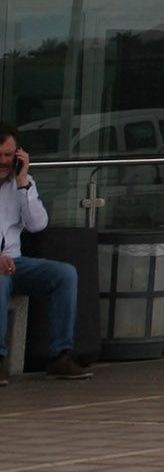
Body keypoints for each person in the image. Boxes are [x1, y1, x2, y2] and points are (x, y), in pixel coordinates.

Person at [0, 124, 92, 382]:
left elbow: (38, 224)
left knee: (65, 274)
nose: (4, 162)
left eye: (9, 155)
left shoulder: (22, 184)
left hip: (15, 263)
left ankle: (60, 356)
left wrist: (22, 183)